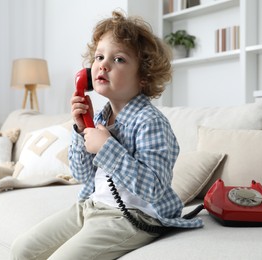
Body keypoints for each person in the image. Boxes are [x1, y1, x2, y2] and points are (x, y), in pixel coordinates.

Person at [10, 10, 203, 260]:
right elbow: (82, 175)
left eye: (119, 59)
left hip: (132, 217)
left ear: (143, 77)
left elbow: (154, 188)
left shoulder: (150, 122)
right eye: (99, 56)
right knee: (21, 250)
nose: (103, 64)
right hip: (91, 206)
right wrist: (81, 130)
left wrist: (107, 148)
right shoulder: (101, 117)